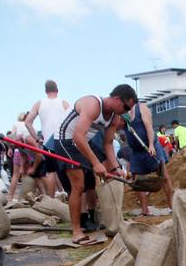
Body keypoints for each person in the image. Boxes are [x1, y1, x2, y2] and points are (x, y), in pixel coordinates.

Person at [49, 84, 136, 244]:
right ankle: (76, 232)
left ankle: (96, 218)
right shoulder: (93, 104)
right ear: (117, 99)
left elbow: (108, 144)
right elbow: (78, 136)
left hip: (83, 143)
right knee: (78, 185)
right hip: (66, 141)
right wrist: (96, 163)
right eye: (125, 107)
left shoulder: (115, 117)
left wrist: (116, 168)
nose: (125, 111)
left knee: (92, 183)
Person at [127, 102, 175, 214]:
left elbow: (148, 126)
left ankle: (172, 207)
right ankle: (145, 210)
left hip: (151, 147)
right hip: (136, 151)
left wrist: (151, 145)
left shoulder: (141, 108)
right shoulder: (121, 114)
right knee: (137, 181)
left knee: (164, 176)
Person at [24, 79, 69, 196]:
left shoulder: (39, 103)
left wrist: (37, 138)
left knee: (51, 172)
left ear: (46, 91)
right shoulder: (64, 103)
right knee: (68, 169)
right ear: (57, 90)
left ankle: (51, 200)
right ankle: (70, 196)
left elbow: (28, 122)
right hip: (63, 140)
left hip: (48, 142)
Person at [6, 111, 40, 204]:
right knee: (30, 175)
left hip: (26, 151)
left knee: (16, 175)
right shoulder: (31, 127)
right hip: (27, 151)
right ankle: (27, 196)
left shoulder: (17, 125)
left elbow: (11, 138)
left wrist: (10, 148)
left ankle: (11, 197)